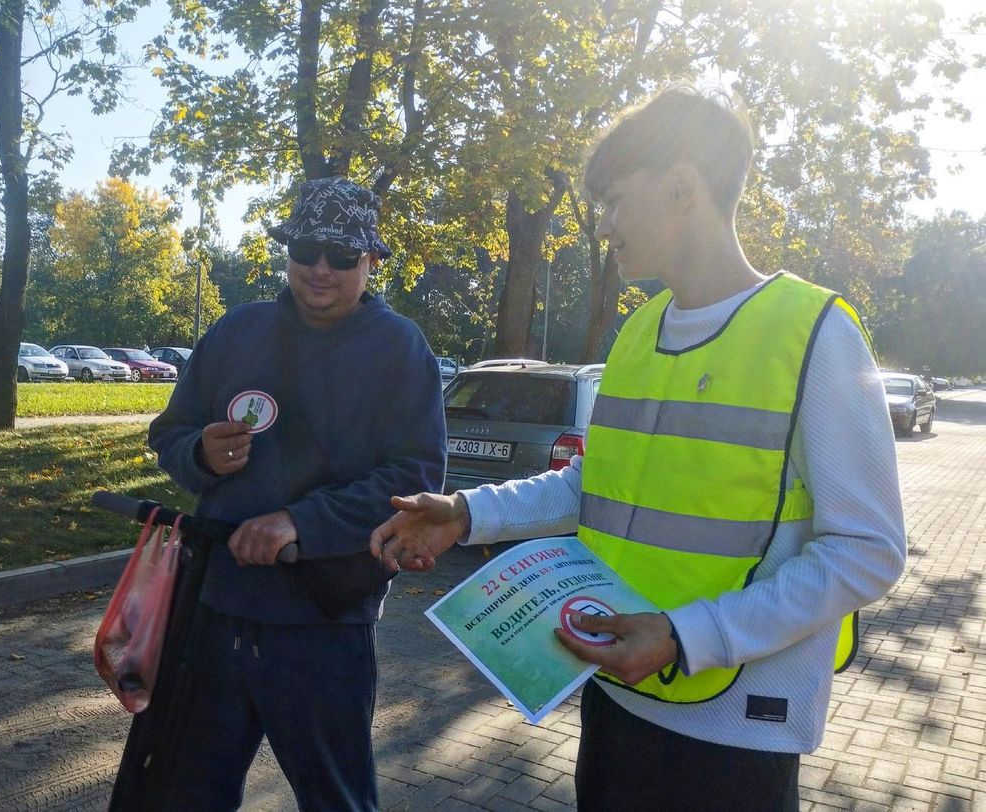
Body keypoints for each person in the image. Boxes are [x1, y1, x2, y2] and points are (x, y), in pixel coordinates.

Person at [370, 86, 905, 810]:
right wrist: (468, 513)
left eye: (616, 200)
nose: (605, 226)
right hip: (617, 695)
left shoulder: (816, 333)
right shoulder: (636, 332)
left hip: (736, 734)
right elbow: (594, 484)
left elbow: (868, 549)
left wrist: (687, 636)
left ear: (681, 186)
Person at [149, 177, 446, 810]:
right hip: (218, 606)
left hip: (324, 620)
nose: (319, 268)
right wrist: (198, 452)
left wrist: (300, 522)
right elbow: (170, 433)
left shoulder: (400, 347)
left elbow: (416, 478)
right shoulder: (237, 330)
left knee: (336, 799)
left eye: (342, 257)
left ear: (371, 260)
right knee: (189, 793)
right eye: (306, 249)